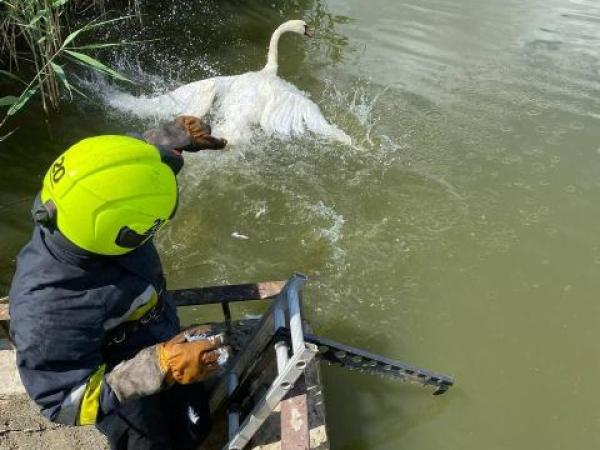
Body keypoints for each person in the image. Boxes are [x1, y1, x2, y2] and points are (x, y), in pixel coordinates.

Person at [9, 116, 228, 450]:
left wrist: (171, 138)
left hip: (161, 332)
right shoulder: (46, 311)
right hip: (119, 386)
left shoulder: (86, 192)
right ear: (122, 235)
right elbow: (65, 402)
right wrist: (157, 366)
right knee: (152, 443)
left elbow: (122, 162)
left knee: (194, 423)